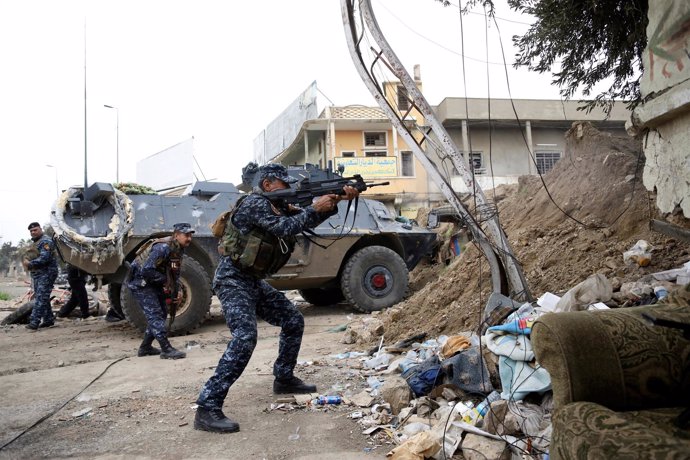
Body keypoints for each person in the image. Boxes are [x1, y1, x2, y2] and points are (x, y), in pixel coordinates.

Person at [194, 163, 359, 433]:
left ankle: (283, 378)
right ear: (268, 184)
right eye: (283, 183)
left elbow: (303, 219)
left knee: (293, 320)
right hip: (232, 279)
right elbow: (286, 228)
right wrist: (316, 207)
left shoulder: (276, 205)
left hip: (252, 280)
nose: (289, 188)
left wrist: (335, 201)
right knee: (245, 337)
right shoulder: (254, 204)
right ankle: (207, 407)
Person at [126, 222, 194, 360]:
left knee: (162, 313)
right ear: (176, 235)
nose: (189, 238)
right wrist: (166, 281)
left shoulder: (177, 248)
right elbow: (147, 270)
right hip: (141, 282)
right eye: (186, 235)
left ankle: (145, 347)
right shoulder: (162, 248)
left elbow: (174, 271)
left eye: (190, 235)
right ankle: (166, 349)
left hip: (152, 282)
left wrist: (177, 288)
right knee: (155, 314)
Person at [22, 222, 59, 330]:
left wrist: (30, 264)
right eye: (31, 231)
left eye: (35, 230)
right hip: (38, 273)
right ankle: (48, 320)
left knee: (40, 297)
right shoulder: (36, 242)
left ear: (40, 229)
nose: (33, 232)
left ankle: (34, 322)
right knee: (42, 297)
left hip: (47, 273)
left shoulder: (45, 241)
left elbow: (44, 258)